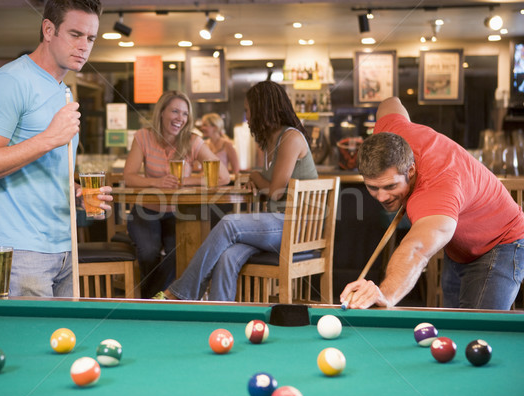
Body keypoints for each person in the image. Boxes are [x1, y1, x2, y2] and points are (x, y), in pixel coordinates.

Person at [0, 0, 112, 297]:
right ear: (48, 29)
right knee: (27, 342)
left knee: (63, 342)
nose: (84, 46)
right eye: (75, 34)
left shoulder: (63, 90)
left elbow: (44, 168)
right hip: (19, 250)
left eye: (91, 38)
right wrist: (48, 138)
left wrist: (77, 192)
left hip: (65, 245)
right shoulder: (8, 83)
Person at [340, 97, 524, 310]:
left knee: (478, 334)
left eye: (390, 187)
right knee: (453, 326)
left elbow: (415, 250)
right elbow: (390, 103)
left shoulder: (436, 190)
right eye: (373, 187)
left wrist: (386, 295)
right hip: (460, 247)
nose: (381, 197)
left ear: (411, 171)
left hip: (501, 242)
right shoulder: (390, 135)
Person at [154, 80, 318, 301]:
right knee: (228, 256)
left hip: (297, 227)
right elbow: (270, 187)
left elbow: (276, 192)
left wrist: (254, 176)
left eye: (248, 111)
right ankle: (219, 316)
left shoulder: (290, 137)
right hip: (279, 225)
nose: (247, 118)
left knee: (229, 223)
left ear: (262, 110)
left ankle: (180, 292)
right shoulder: (270, 142)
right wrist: (257, 182)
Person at [122, 90, 230, 298]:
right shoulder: (143, 137)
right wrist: (157, 182)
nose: (180, 118)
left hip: (178, 212)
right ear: (161, 112)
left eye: (185, 114)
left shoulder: (192, 141)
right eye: (175, 111)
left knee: (181, 252)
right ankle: (154, 297)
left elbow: (223, 176)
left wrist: (185, 181)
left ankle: (152, 298)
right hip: (146, 210)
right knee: (148, 252)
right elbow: (129, 176)